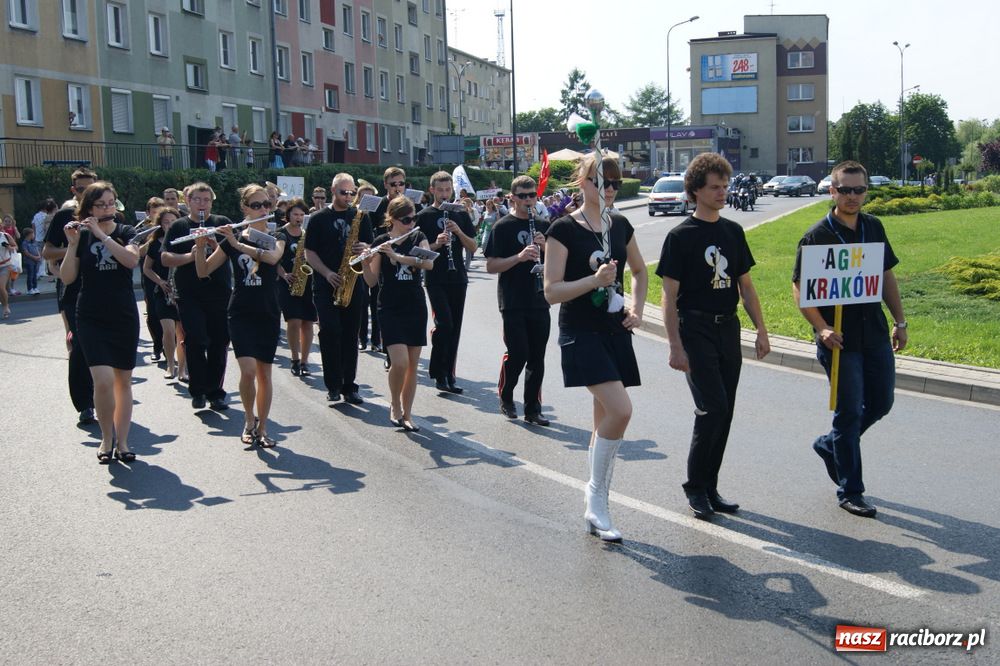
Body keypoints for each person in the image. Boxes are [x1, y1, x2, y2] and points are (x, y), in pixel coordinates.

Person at [658, 152, 770, 520]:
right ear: (695, 191)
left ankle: (710, 485)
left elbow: (747, 287)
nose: (723, 192)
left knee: (726, 411)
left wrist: (761, 330)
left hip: (728, 327)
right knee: (712, 408)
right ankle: (694, 486)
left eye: (725, 186)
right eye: (715, 187)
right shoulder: (680, 237)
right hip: (695, 328)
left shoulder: (733, 231)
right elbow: (669, 297)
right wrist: (674, 345)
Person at [792, 160, 907, 518]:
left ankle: (830, 446)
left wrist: (899, 321)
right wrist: (821, 327)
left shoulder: (873, 227)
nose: (852, 196)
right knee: (847, 411)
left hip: (872, 331)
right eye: (845, 190)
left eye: (859, 190)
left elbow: (885, 275)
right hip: (838, 339)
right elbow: (799, 287)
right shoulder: (817, 236)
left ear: (866, 191)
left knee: (880, 403)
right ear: (832, 191)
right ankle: (851, 489)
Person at [544, 154, 647, 542]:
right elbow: (551, 292)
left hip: (615, 330)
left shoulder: (620, 224)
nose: (608, 189)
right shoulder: (562, 229)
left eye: (615, 183)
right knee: (621, 411)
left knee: (603, 418)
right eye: (600, 181)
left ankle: (595, 506)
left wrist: (636, 306)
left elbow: (639, 270)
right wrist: (594, 280)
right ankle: (597, 499)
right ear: (582, 182)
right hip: (580, 332)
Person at [196, 184, 285, 448]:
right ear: (245, 208)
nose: (262, 210)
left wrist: (238, 244)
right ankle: (249, 420)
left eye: (266, 205)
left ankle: (264, 427)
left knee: (265, 374)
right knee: (248, 371)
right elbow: (204, 271)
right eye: (256, 205)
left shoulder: (276, 235)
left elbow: (272, 258)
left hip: (268, 310)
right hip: (241, 311)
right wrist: (199, 247)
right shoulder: (232, 237)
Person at [59, 182, 141, 463]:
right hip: (91, 315)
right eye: (100, 205)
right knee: (103, 382)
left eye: (110, 203)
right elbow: (68, 278)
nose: (107, 209)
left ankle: (124, 441)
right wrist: (72, 245)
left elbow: (130, 260)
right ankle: (107, 438)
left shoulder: (126, 231)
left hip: (123, 315)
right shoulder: (80, 237)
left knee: (123, 382)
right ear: (88, 209)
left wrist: (100, 234)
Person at [361, 196, 434, 432]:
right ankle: (394, 403)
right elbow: (372, 282)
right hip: (390, 306)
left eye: (413, 218)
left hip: (414, 305)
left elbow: (428, 263)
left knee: (412, 365)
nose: (411, 223)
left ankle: (408, 413)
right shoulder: (381, 241)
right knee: (400, 362)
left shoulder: (417, 237)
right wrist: (365, 261)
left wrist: (398, 257)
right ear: (392, 219)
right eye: (406, 219)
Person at [485, 175, 552, 426]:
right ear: (512, 197)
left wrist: (546, 249)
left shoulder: (544, 224)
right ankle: (506, 395)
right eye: (522, 196)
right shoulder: (502, 226)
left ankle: (533, 409)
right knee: (518, 352)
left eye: (532, 195)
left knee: (537, 356)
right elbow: (492, 266)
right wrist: (519, 257)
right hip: (513, 299)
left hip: (539, 298)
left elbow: (559, 264)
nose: (528, 200)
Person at [161, 183, 233, 411]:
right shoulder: (179, 225)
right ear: (188, 202)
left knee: (219, 341)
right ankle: (198, 390)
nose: (203, 204)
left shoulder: (221, 223)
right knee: (196, 339)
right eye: (198, 200)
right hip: (190, 293)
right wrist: (190, 256)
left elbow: (233, 249)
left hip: (219, 291)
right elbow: (164, 257)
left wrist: (216, 245)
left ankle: (216, 391)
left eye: (207, 200)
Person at [304, 173, 373, 404]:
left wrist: (366, 248)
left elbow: (370, 246)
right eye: (344, 192)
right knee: (330, 332)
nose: (349, 196)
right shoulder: (318, 218)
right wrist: (327, 272)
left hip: (353, 283)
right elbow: (309, 252)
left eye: (352, 192)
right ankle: (333, 384)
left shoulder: (360, 216)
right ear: (333, 191)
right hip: (326, 284)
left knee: (350, 335)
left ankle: (349, 385)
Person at [42, 167, 98, 424]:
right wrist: (72, 249)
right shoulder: (64, 215)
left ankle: (102, 395)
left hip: (105, 291)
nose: (85, 193)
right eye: (80, 189)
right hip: (74, 290)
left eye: (90, 188)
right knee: (79, 347)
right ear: (72, 191)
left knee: (99, 347)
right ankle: (85, 404)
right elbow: (47, 252)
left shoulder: (109, 214)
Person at [415, 171, 477, 394]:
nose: (444, 194)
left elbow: (473, 247)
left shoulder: (459, 213)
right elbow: (418, 253)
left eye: (447, 190)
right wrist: (435, 244)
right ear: (432, 190)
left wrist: (458, 231)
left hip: (458, 277)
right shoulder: (424, 216)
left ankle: (449, 374)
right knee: (445, 324)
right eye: (440, 190)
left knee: (455, 328)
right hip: (435, 277)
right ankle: (438, 371)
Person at [141, 206, 187, 382]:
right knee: (168, 331)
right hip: (163, 292)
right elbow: (146, 268)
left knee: (182, 333)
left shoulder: (184, 240)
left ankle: (183, 369)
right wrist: (160, 281)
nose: (169, 225)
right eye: (166, 222)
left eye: (173, 221)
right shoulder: (155, 243)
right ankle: (170, 364)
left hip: (182, 292)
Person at [275, 198, 316, 377]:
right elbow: (274, 259)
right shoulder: (279, 234)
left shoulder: (307, 234)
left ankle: (305, 360)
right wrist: (284, 274)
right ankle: (294, 359)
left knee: (307, 323)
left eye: (301, 215)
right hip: (287, 281)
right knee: (294, 321)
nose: (299, 218)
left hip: (306, 281)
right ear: (288, 215)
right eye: (295, 214)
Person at [352, 179, 380, 352]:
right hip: (359, 260)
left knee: (376, 301)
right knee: (362, 302)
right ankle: (362, 338)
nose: (368, 200)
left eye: (371, 197)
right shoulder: (355, 214)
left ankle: (377, 340)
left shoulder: (378, 215)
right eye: (364, 197)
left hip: (376, 257)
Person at [140, 197, 166, 363]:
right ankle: (157, 346)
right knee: (153, 313)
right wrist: (151, 238)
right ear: (148, 213)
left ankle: (170, 345)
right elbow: (138, 252)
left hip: (168, 274)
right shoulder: (143, 231)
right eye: (153, 211)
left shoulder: (170, 228)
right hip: (150, 276)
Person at [19, 227, 41, 295]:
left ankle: (35, 287)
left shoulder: (34, 242)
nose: (33, 235)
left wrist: (39, 256)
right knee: (30, 275)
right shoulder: (25, 243)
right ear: (29, 235)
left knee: (35, 275)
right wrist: (34, 257)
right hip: (29, 261)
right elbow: (26, 253)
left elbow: (37, 249)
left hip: (36, 261)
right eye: (33, 234)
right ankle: (30, 289)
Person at [0, 226, 16, 318]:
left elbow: (15, 246)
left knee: (1, 287)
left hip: (5, 265)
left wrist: (9, 247)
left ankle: (6, 307)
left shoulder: (5, 236)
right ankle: (4, 305)